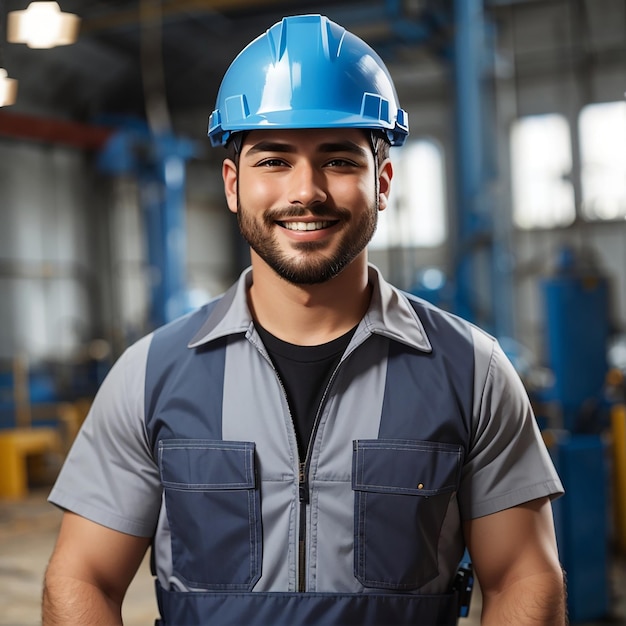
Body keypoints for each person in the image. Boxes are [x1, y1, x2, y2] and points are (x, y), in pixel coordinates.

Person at [42, 14, 566, 626]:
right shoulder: (150, 375)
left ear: (383, 182)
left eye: (339, 160)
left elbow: (524, 579)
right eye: (274, 160)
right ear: (233, 184)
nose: (307, 190)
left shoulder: (471, 371)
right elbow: (82, 579)